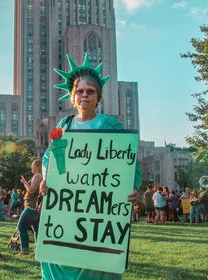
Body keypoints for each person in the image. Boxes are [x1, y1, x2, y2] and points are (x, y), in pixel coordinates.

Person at [39, 54, 141, 280]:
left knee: (96, 262)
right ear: (73, 97)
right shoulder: (62, 125)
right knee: (58, 254)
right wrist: (46, 180)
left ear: (98, 97)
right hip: (65, 207)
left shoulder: (109, 124)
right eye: (80, 91)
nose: (84, 95)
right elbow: (49, 159)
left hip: (98, 211)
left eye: (90, 91)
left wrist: (133, 187)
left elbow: (129, 160)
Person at [17, 159, 43, 255]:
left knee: (21, 227)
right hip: (36, 208)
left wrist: (24, 182)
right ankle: (38, 250)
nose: (31, 167)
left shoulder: (37, 175)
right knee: (36, 230)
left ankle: (24, 250)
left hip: (31, 207)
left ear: (37, 166)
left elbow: (31, 190)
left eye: (32, 165)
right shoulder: (40, 176)